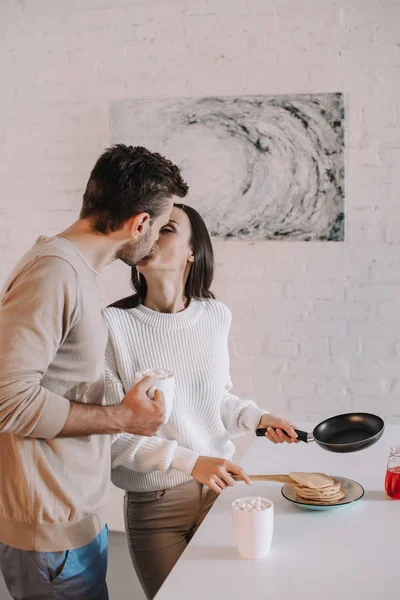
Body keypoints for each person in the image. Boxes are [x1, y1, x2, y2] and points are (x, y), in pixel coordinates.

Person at [0, 144, 188, 600]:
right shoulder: (54, 274)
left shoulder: (75, 271)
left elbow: (57, 381)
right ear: (138, 223)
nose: (158, 238)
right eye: (161, 226)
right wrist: (125, 419)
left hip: (75, 514)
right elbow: (8, 400)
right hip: (50, 531)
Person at [104, 203, 298, 599]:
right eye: (148, 227)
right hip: (155, 505)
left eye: (167, 228)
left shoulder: (215, 316)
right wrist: (191, 462)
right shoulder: (112, 326)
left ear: (193, 250)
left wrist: (258, 418)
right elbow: (111, 435)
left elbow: (216, 400)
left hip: (220, 494)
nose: (151, 235)